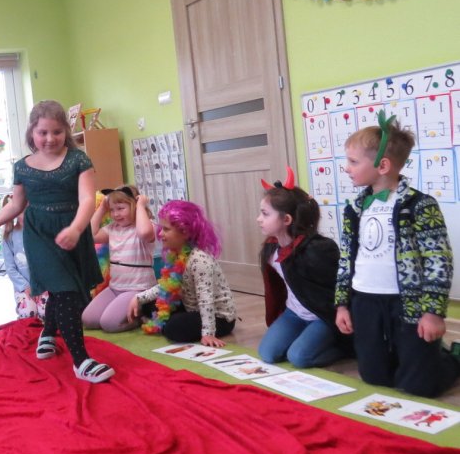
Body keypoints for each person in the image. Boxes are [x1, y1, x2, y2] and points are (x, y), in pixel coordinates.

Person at [0, 100, 113, 383]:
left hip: (72, 231)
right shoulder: (22, 167)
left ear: (65, 133)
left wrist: (76, 229)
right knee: (64, 291)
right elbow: (16, 205)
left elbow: (88, 199)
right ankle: (81, 362)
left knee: (66, 291)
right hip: (39, 235)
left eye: (57, 132)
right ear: (32, 133)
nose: (50, 138)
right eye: (43, 132)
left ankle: (48, 331)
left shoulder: (78, 160)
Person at [335, 111, 459, 398]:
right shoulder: (354, 209)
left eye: (353, 161)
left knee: (419, 387)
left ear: (383, 165)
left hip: (409, 302)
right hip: (365, 300)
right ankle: (410, 357)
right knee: (375, 378)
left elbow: (438, 260)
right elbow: (345, 259)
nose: (346, 168)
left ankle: (452, 358)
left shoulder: (420, 205)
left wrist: (432, 312)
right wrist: (342, 304)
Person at [256, 167, 346, 368]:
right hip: (294, 313)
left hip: (322, 316)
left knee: (298, 357)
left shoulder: (317, 250)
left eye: (265, 214)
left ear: (286, 220)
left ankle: (343, 347)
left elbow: (339, 287)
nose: (259, 219)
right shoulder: (272, 249)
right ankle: (306, 340)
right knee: (267, 353)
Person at [128, 200, 237, 346]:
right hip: (191, 308)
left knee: (175, 328)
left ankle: (166, 326)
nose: (160, 233)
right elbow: (165, 287)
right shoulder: (176, 254)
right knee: (149, 305)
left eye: (166, 229)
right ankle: (164, 323)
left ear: (185, 233)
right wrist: (139, 298)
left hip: (217, 317)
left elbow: (206, 299)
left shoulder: (199, 260)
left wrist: (208, 333)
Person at [81, 186, 157, 332]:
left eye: (121, 208)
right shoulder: (112, 228)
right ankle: (126, 312)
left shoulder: (145, 226)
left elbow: (144, 233)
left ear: (134, 205)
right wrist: (102, 209)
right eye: (112, 210)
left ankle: (141, 315)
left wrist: (141, 205)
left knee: (108, 323)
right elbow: (90, 236)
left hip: (137, 289)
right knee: (88, 319)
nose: (115, 214)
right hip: (115, 287)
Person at [0, 194, 49, 320]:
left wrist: (40, 286)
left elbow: (47, 262)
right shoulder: (9, 236)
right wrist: (26, 287)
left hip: (44, 285)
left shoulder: (40, 232)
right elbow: (10, 268)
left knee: (46, 313)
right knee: (29, 313)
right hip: (23, 288)